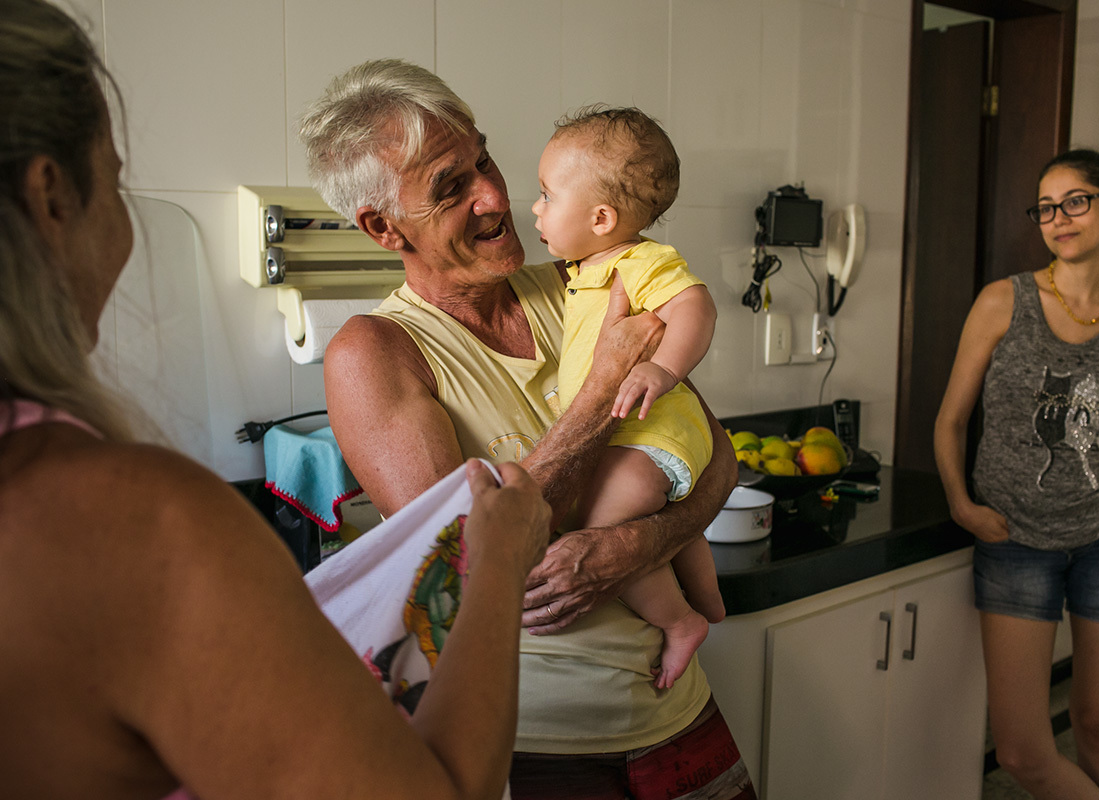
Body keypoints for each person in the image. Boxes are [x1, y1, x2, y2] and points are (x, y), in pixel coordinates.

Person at [0, 2, 551, 798]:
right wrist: (498, 557)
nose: (495, 197)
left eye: (484, 163)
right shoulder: (131, 523)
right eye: (115, 180)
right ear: (51, 196)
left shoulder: (571, 287)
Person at [301, 60, 753, 799]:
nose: (493, 196)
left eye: (483, 159)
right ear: (384, 228)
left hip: (681, 718)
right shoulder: (374, 354)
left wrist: (634, 544)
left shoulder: (586, 280)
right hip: (538, 752)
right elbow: (466, 571)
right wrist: (599, 389)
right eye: (451, 188)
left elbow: (715, 457)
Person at [934, 148, 1099, 800]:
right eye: (1046, 206)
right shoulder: (1001, 302)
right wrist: (963, 503)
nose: (1058, 217)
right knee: (1019, 749)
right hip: (1015, 540)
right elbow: (951, 420)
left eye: (1075, 201)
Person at [531, 106, 724, 690]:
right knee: (667, 523)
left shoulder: (637, 261)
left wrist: (663, 369)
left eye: (546, 195)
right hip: (644, 434)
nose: (536, 209)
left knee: (595, 526)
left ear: (601, 217)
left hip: (652, 433)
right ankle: (710, 601)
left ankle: (681, 620)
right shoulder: (586, 268)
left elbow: (695, 306)